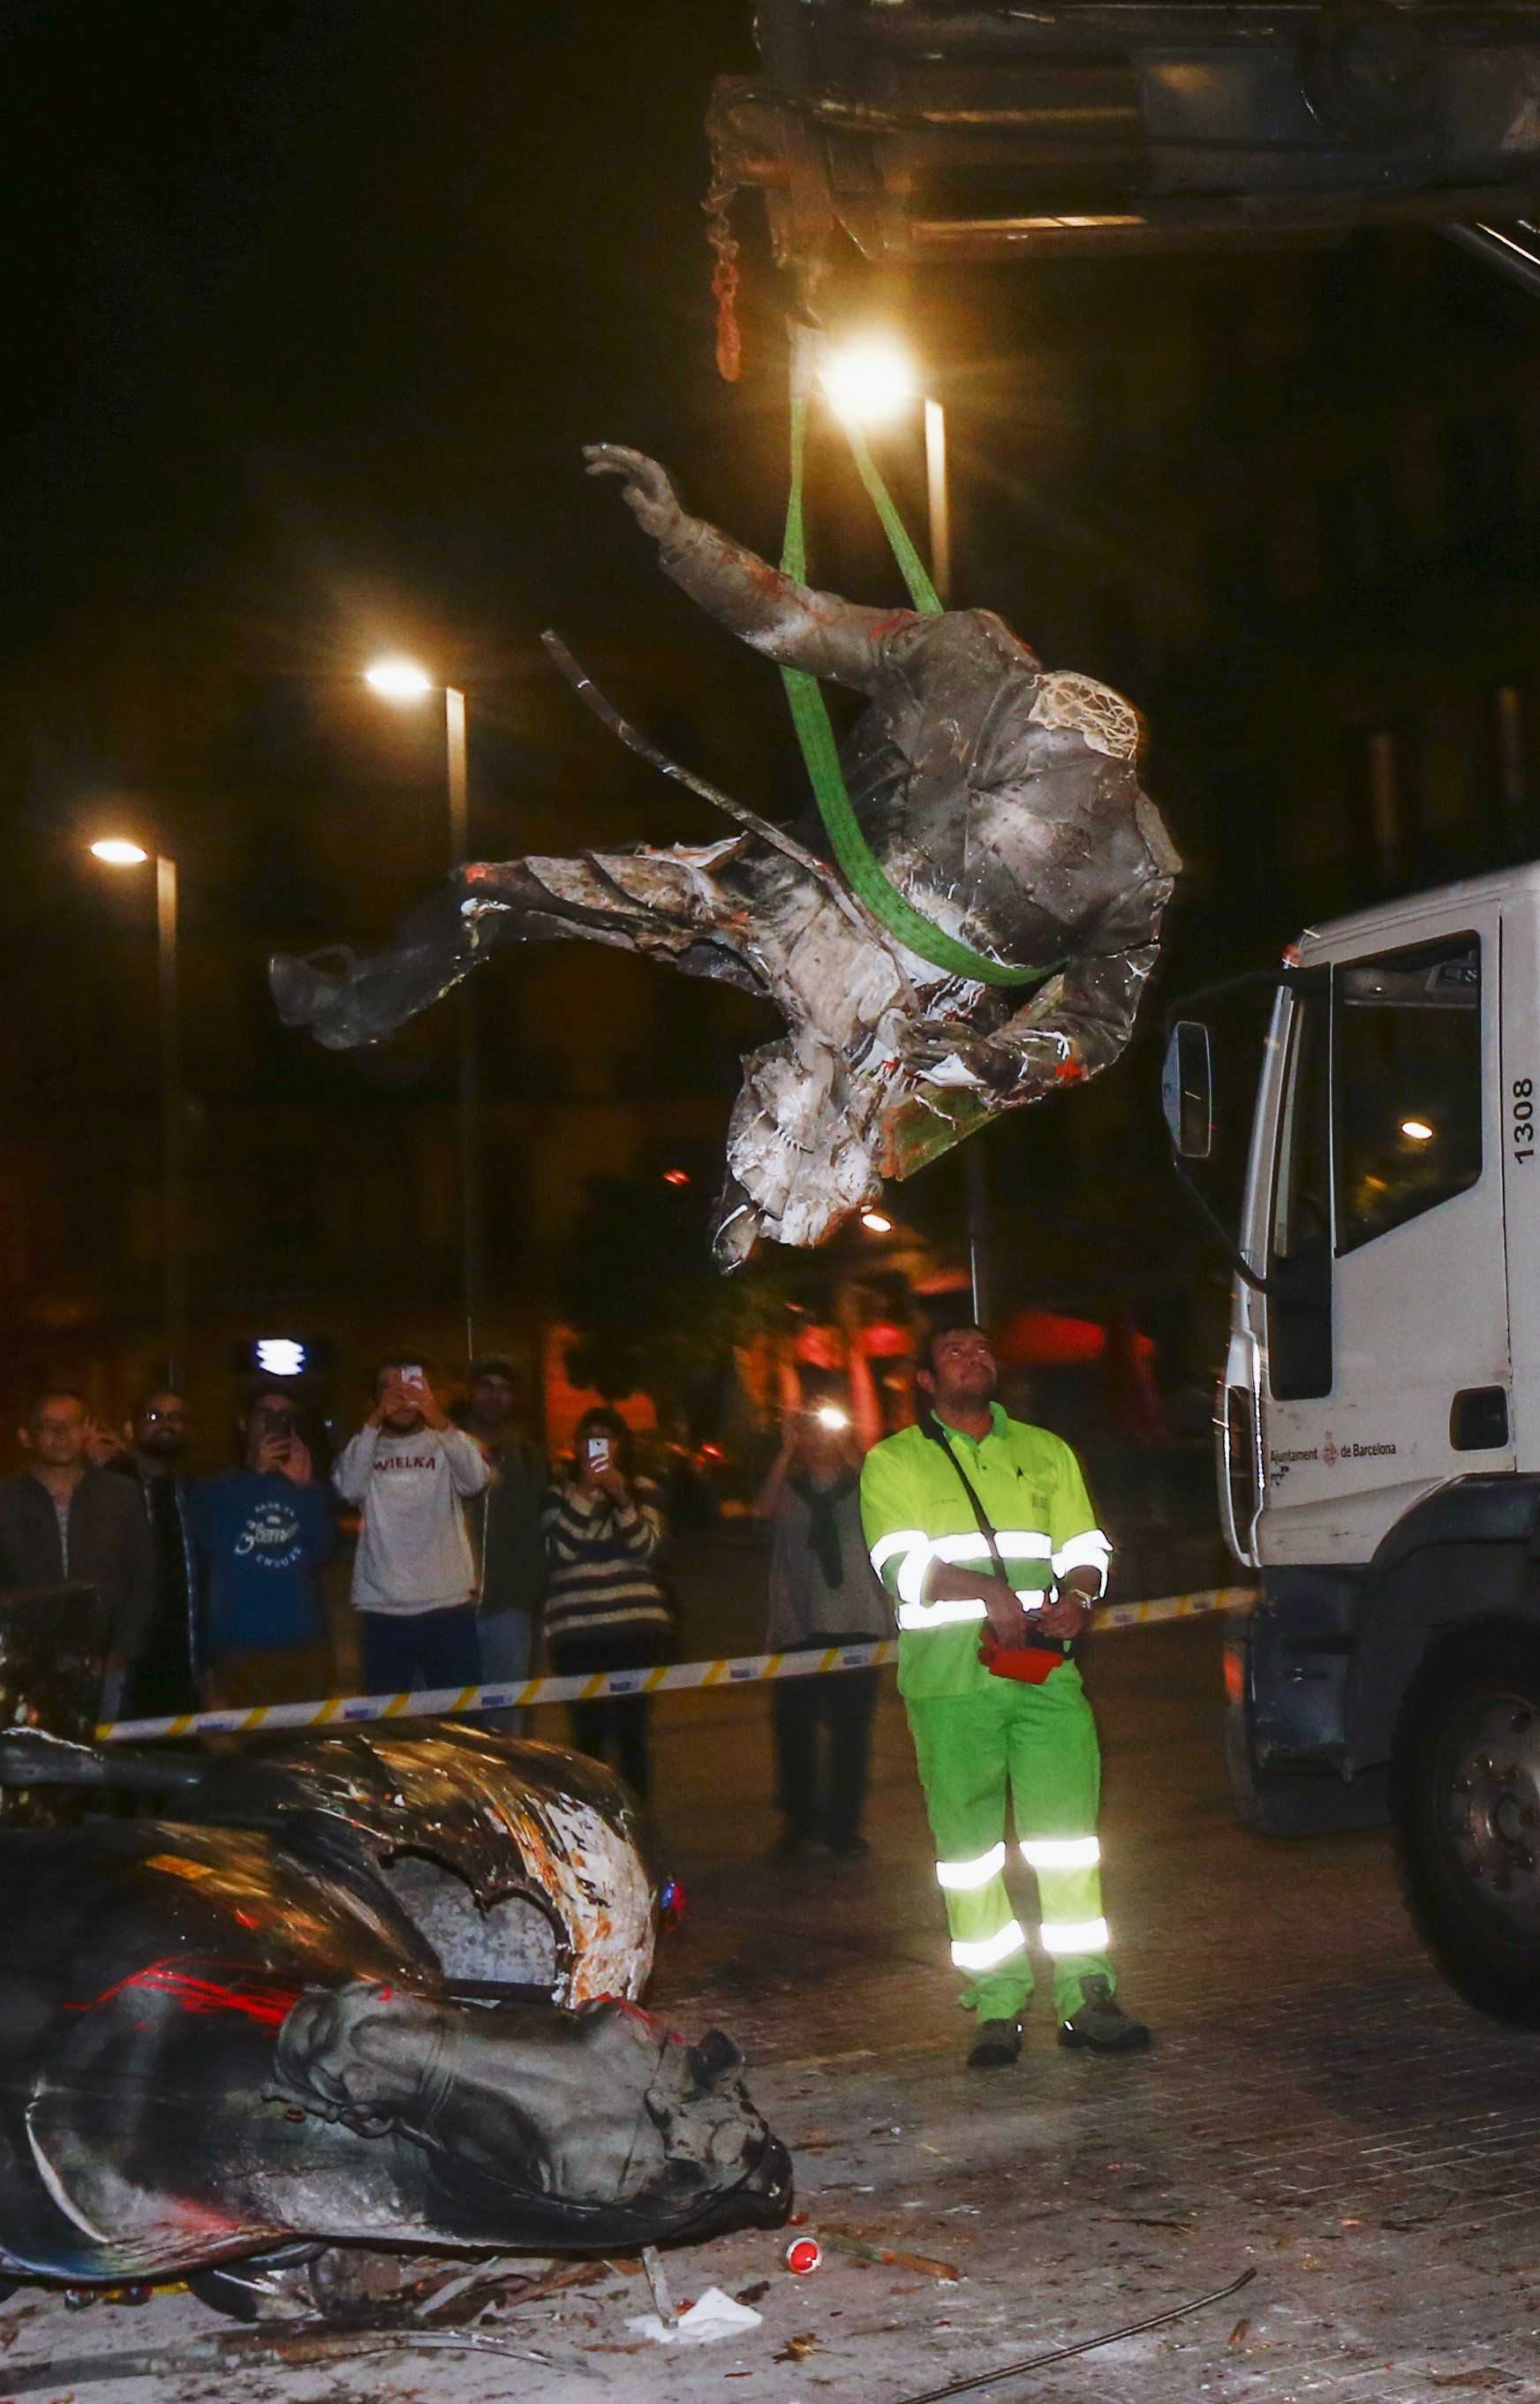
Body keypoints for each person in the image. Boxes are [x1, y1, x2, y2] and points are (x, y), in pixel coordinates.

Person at [269, 442, 1178, 1268]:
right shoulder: (962, 657)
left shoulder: (1137, 865)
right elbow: (798, 620)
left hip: (900, 1000)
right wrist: (684, 538)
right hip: (782, 882)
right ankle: (356, 1006)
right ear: (1008, 725)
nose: (1033, 828)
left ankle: (738, 1209)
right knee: (489, 895)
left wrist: (989, 1057)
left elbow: (1097, 1028)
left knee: (782, 1194)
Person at [857, 1321, 1150, 2068]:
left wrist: (1079, 1597)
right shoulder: (892, 1461)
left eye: (981, 1347)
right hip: (951, 1680)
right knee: (969, 1852)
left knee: (1068, 1843)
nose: (972, 1357)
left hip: (1044, 1671)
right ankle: (995, 2003)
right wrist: (987, 1589)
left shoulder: (1045, 1450)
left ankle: (1088, 1993)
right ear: (924, 1379)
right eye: (953, 1350)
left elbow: (1084, 1545)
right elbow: (899, 1564)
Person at [0, 1393, 157, 1715]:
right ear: (26, 1436)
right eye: (48, 1426)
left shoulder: (121, 1497)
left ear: (87, 1429)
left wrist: (121, 1652)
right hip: (23, 1669)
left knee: (100, 1759)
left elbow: (142, 1578)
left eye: (71, 1424)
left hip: (103, 1666)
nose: (61, 1434)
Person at [760, 1400, 887, 1859]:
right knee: (793, 1729)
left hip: (856, 1622)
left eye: (825, 1429)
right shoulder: (791, 1487)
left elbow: (886, 1496)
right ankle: (798, 1821)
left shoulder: (862, 1483)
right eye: (810, 1430)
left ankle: (844, 1826)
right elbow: (762, 1508)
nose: (818, 1439)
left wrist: (849, 1448)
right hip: (799, 1622)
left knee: (852, 1731)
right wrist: (786, 1451)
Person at [540, 1410, 674, 1801]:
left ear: (621, 1445)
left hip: (636, 1629)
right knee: (588, 1736)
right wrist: (584, 1492)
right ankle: (592, 1822)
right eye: (589, 1437)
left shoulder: (642, 1488)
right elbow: (561, 1549)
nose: (597, 1446)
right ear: (576, 1446)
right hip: (577, 1633)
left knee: (633, 1734)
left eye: (607, 1438)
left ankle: (636, 1819)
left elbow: (646, 1547)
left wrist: (621, 1497)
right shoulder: (557, 1492)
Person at [333, 1357, 487, 1697]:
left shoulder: (448, 1441)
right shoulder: (363, 1447)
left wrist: (438, 1418)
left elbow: (475, 1480)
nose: (402, 1397)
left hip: (447, 1605)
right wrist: (373, 1424)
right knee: (391, 1732)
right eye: (390, 1388)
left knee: (462, 1724)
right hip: (383, 1610)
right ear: (374, 1397)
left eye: (411, 1387)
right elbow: (349, 1488)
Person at [190, 1390, 337, 1708]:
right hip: (239, 1649)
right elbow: (211, 1544)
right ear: (244, 1422)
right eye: (266, 1416)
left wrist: (305, 1489)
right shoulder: (216, 1489)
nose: (276, 1424)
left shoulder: (307, 1488)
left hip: (302, 1648)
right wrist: (254, 1475)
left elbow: (323, 1551)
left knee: (301, 1754)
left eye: (285, 1417)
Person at [457, 1362, 551, 1735]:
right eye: (485, 1386)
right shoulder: (448, 1449)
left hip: (509, 1610)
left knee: (506, 1720)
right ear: (470, 1392)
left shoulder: (529, 1458)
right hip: (451, 1608)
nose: (493, 1396)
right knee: (453, 1720)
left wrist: (529, 1589)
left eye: (503, 1388)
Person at [105, 1389, 201, 1721]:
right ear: (131, 1428)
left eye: (175, 1418)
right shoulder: (108, 1487)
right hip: (125, 1661)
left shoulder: (192, 1490)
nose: (166, 1425)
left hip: (184, 1659)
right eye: (154, 1417)